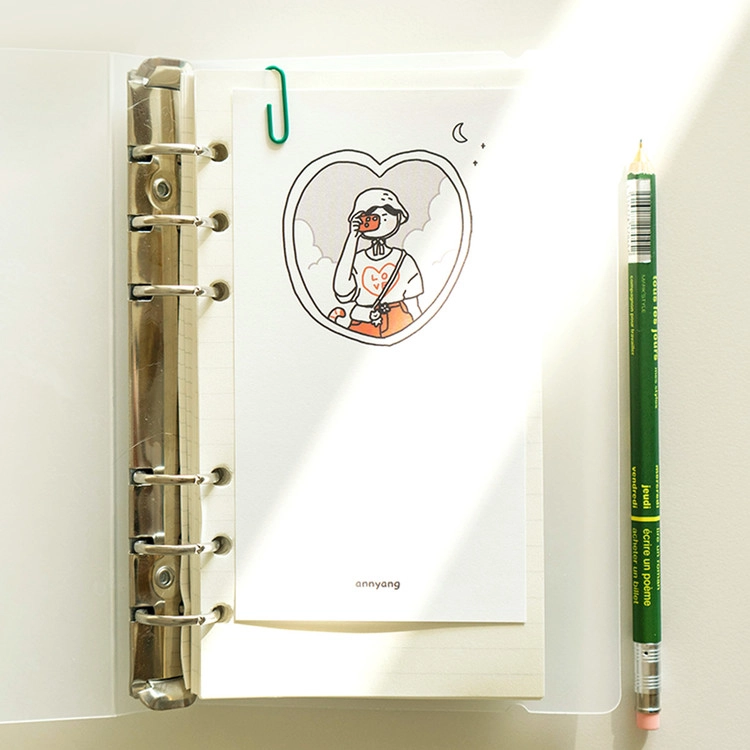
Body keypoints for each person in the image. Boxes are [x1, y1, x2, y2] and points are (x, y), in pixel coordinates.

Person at [333, 188, 423, 338]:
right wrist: (352, 238)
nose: (379, 221)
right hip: (363, 323)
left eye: (386, 215)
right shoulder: (357, 260)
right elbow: (342, 293)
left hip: (399, 320)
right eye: (372, 217)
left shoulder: (403, 259)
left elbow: (413, 303)